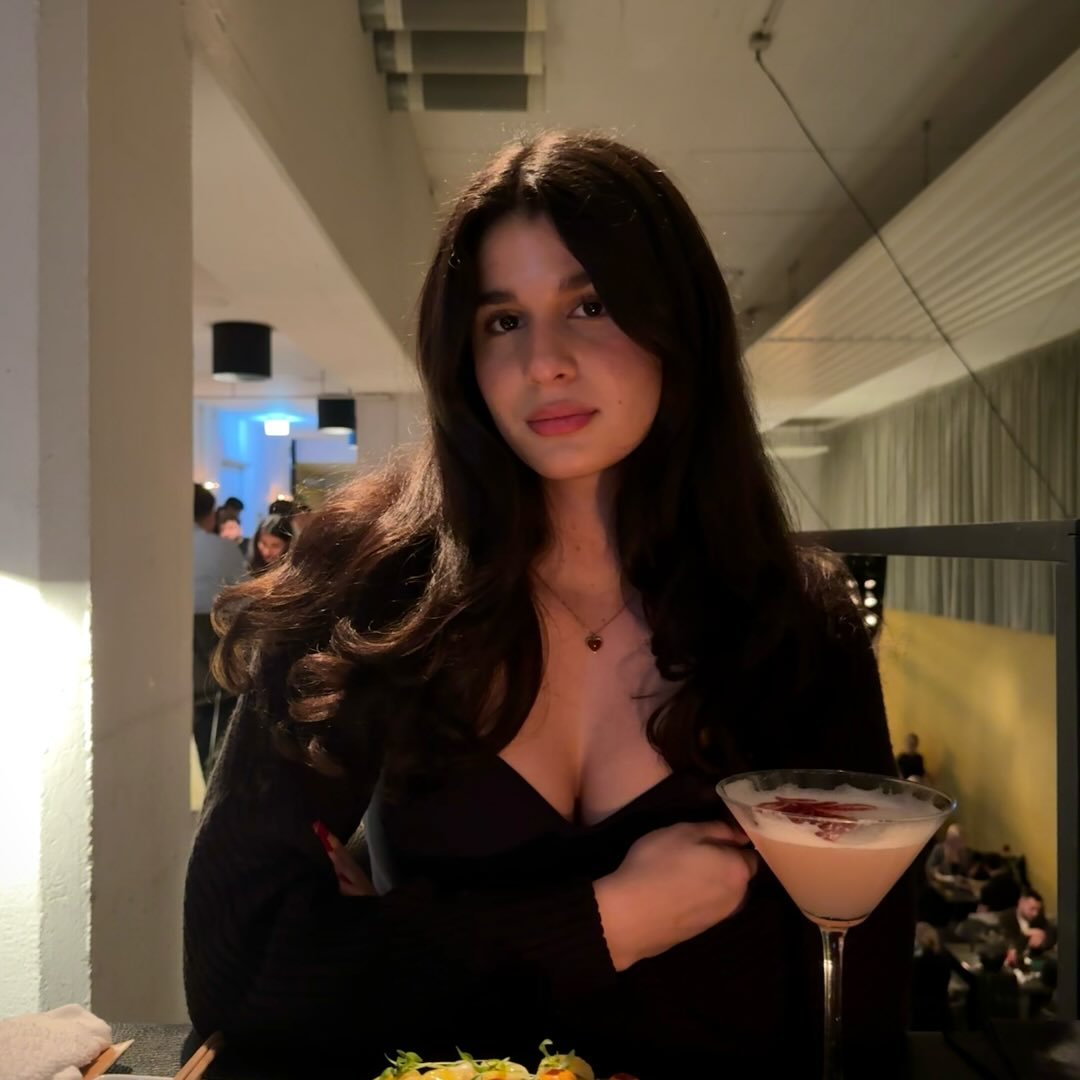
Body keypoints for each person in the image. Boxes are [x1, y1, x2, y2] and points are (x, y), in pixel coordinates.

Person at [184, 132, 913, 1075]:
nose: (544, 363)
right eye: (502, 320)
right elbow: (237, 971)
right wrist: (613, 919)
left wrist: (395, 948)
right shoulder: (365, 587)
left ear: (679, 326)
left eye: (591, 305)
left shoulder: (795, 619)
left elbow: (853, 999)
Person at [192, 484, 247, 774]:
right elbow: (245, 600)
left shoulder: (156, 544)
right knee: (213, 723)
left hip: (165, 660)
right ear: (210, 515)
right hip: (211, 653)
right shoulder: (223, 550)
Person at [999, 890, 1057, 967]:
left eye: (1038, 910)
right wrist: (1026, 934)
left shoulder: (1038, 917)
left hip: (1033, 962)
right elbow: (1009, 944)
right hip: (1013, 964)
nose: (1035, 913)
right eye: (1032, 909)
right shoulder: (1005, 918)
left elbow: (1051, 933)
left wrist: (1043, 938)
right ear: (1021, 903)